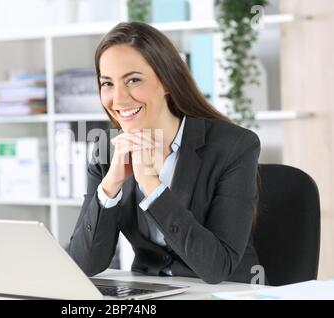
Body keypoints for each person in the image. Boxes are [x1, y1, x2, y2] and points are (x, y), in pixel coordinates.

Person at [68, 21, 263, 284]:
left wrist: (152, 186)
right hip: (152, 291)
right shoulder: (106, 150)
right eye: (107, 84)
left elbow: (217, 267)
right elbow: (85, 264)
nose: (119, 98)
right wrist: (110, 186)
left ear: (167, 81)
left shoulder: (234, 146)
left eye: (133, 80)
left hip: (227, 291)